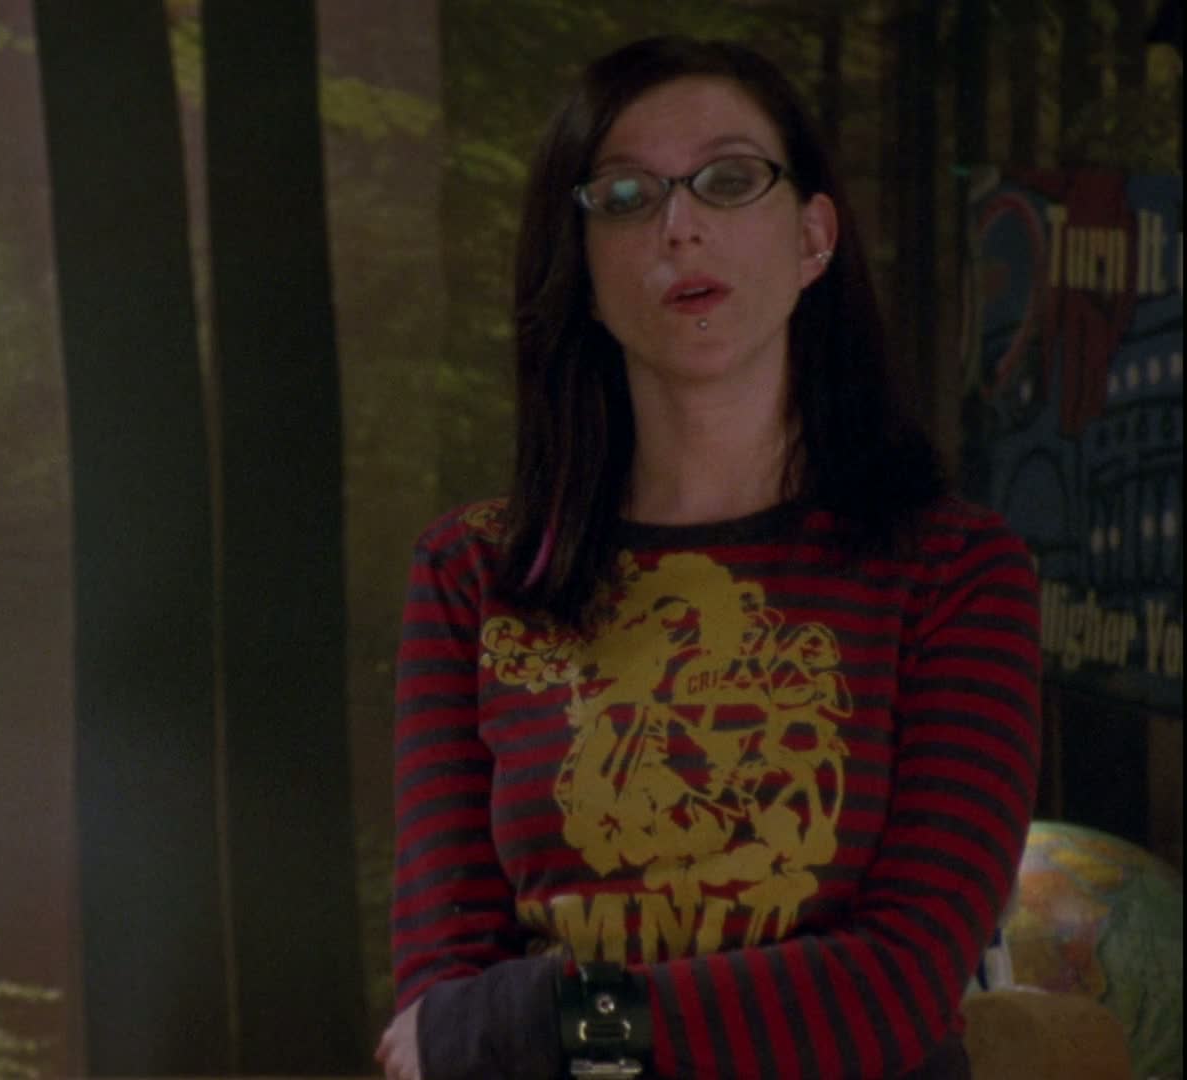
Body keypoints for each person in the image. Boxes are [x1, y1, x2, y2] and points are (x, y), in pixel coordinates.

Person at [374, 35, 1041, 1080]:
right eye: (625, 196)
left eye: (729, 181)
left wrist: (541, 1024)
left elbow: (894, 990)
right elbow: (439, 1003)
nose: (679, 225)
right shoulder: (472, 573)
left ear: (813, 238)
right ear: (584, 273)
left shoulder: (954, 570)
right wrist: (496, 1032)